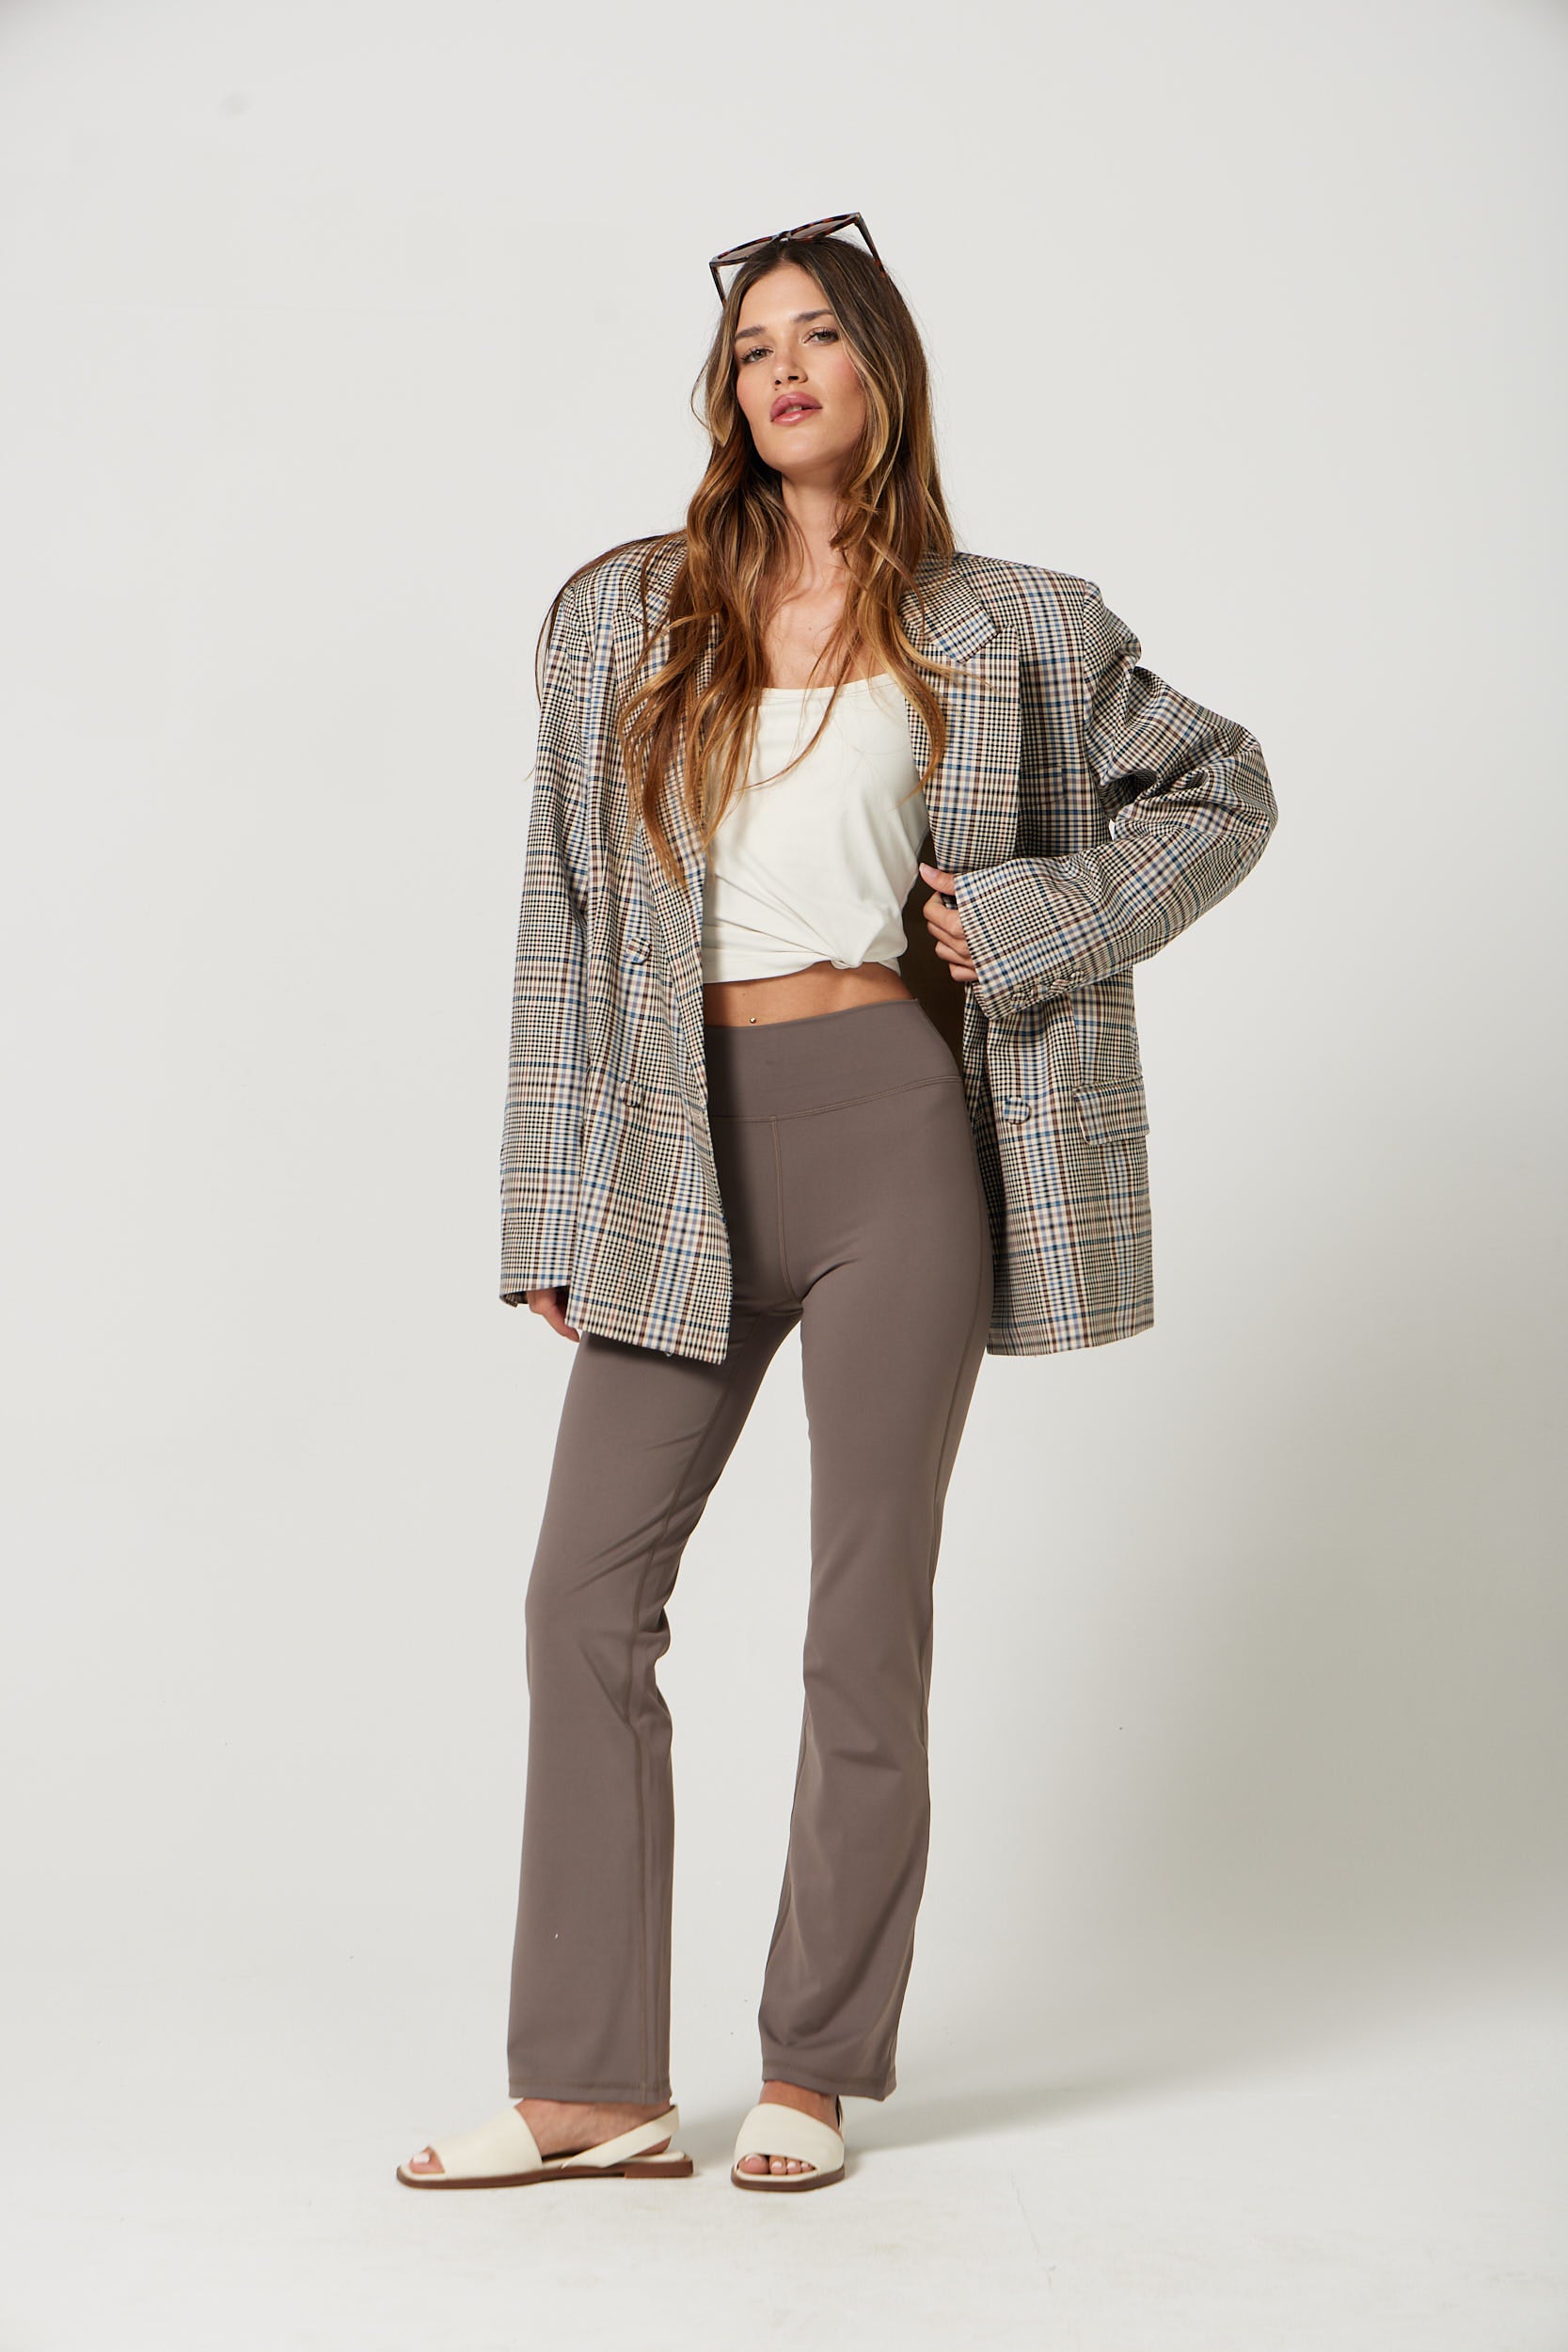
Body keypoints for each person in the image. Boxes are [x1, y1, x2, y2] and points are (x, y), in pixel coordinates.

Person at [398, 214, 1278, 2197]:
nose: (780, 368)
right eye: (750, 345)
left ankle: (811, 2066)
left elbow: (1223, 788)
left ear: (881, 367)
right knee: (582, 1597)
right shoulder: (620, 617)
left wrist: (1034, 917)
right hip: (673, 1151)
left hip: (890, 1129)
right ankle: (590, 2084)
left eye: (817, 335)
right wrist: (548, 1203)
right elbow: (558, 917)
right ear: (727, 391)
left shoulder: (1015, 621)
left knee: (860, 1613)